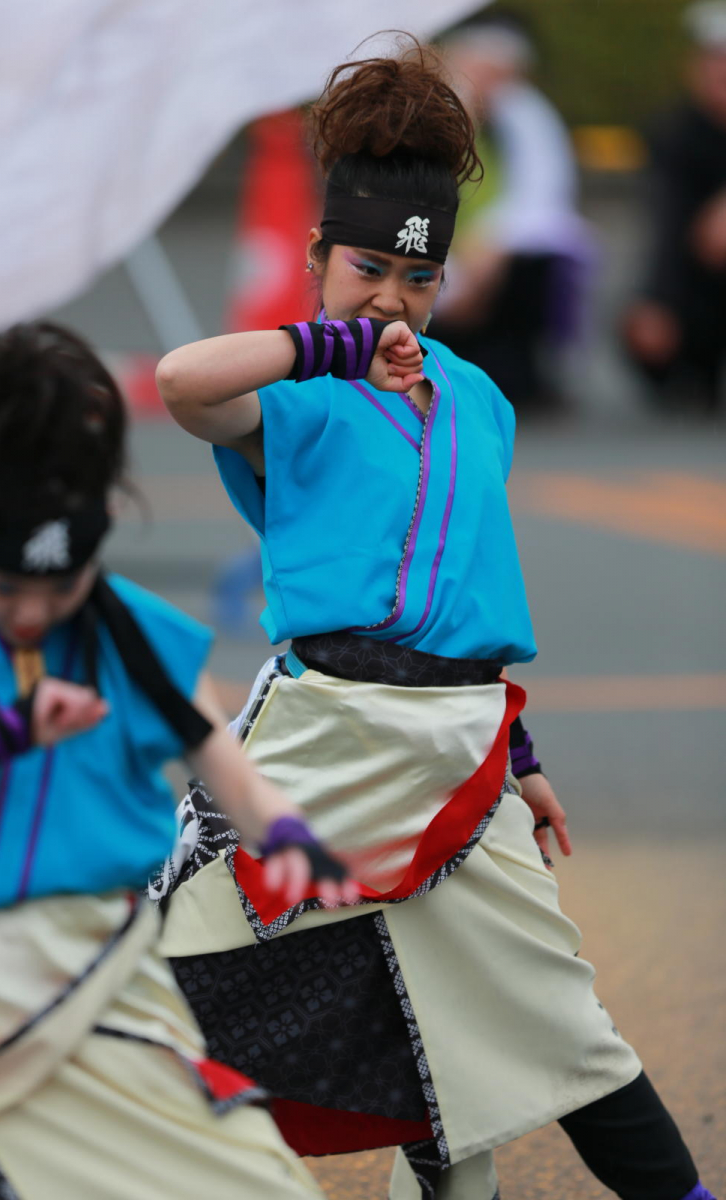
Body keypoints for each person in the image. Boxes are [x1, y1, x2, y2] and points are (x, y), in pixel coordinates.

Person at [155, 40, 716, 1200]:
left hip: (461, 740)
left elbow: (473, 596)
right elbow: (177, 382)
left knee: (552, 1010)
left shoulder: (478, 400)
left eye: (416, 281)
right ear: (317, 261)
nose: (390, 300)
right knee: (158, 970)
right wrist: (329, 342)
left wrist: (521, 751)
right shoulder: (290, 395)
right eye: (363, 270)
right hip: (320, 740)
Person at [0, 321, 353, 1200]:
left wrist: (287, 832)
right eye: (7, 588)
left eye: (62, 586)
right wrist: (5, 733)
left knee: (259, 1186)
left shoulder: (127, 631)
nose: (34, 613)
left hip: (107, 969)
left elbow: (212, 747)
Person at [428, 10, 596, 410]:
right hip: (436, 249)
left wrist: (492, 248)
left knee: (543, 258)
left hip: (491, 258)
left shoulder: (526, 117)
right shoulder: (434, 115)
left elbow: (545, 199)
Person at [623, 0, 726, 414]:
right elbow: (668, 227)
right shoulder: (675, 135)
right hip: (702, 291)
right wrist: (655, 301)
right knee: (648, 334)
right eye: (713, 60)